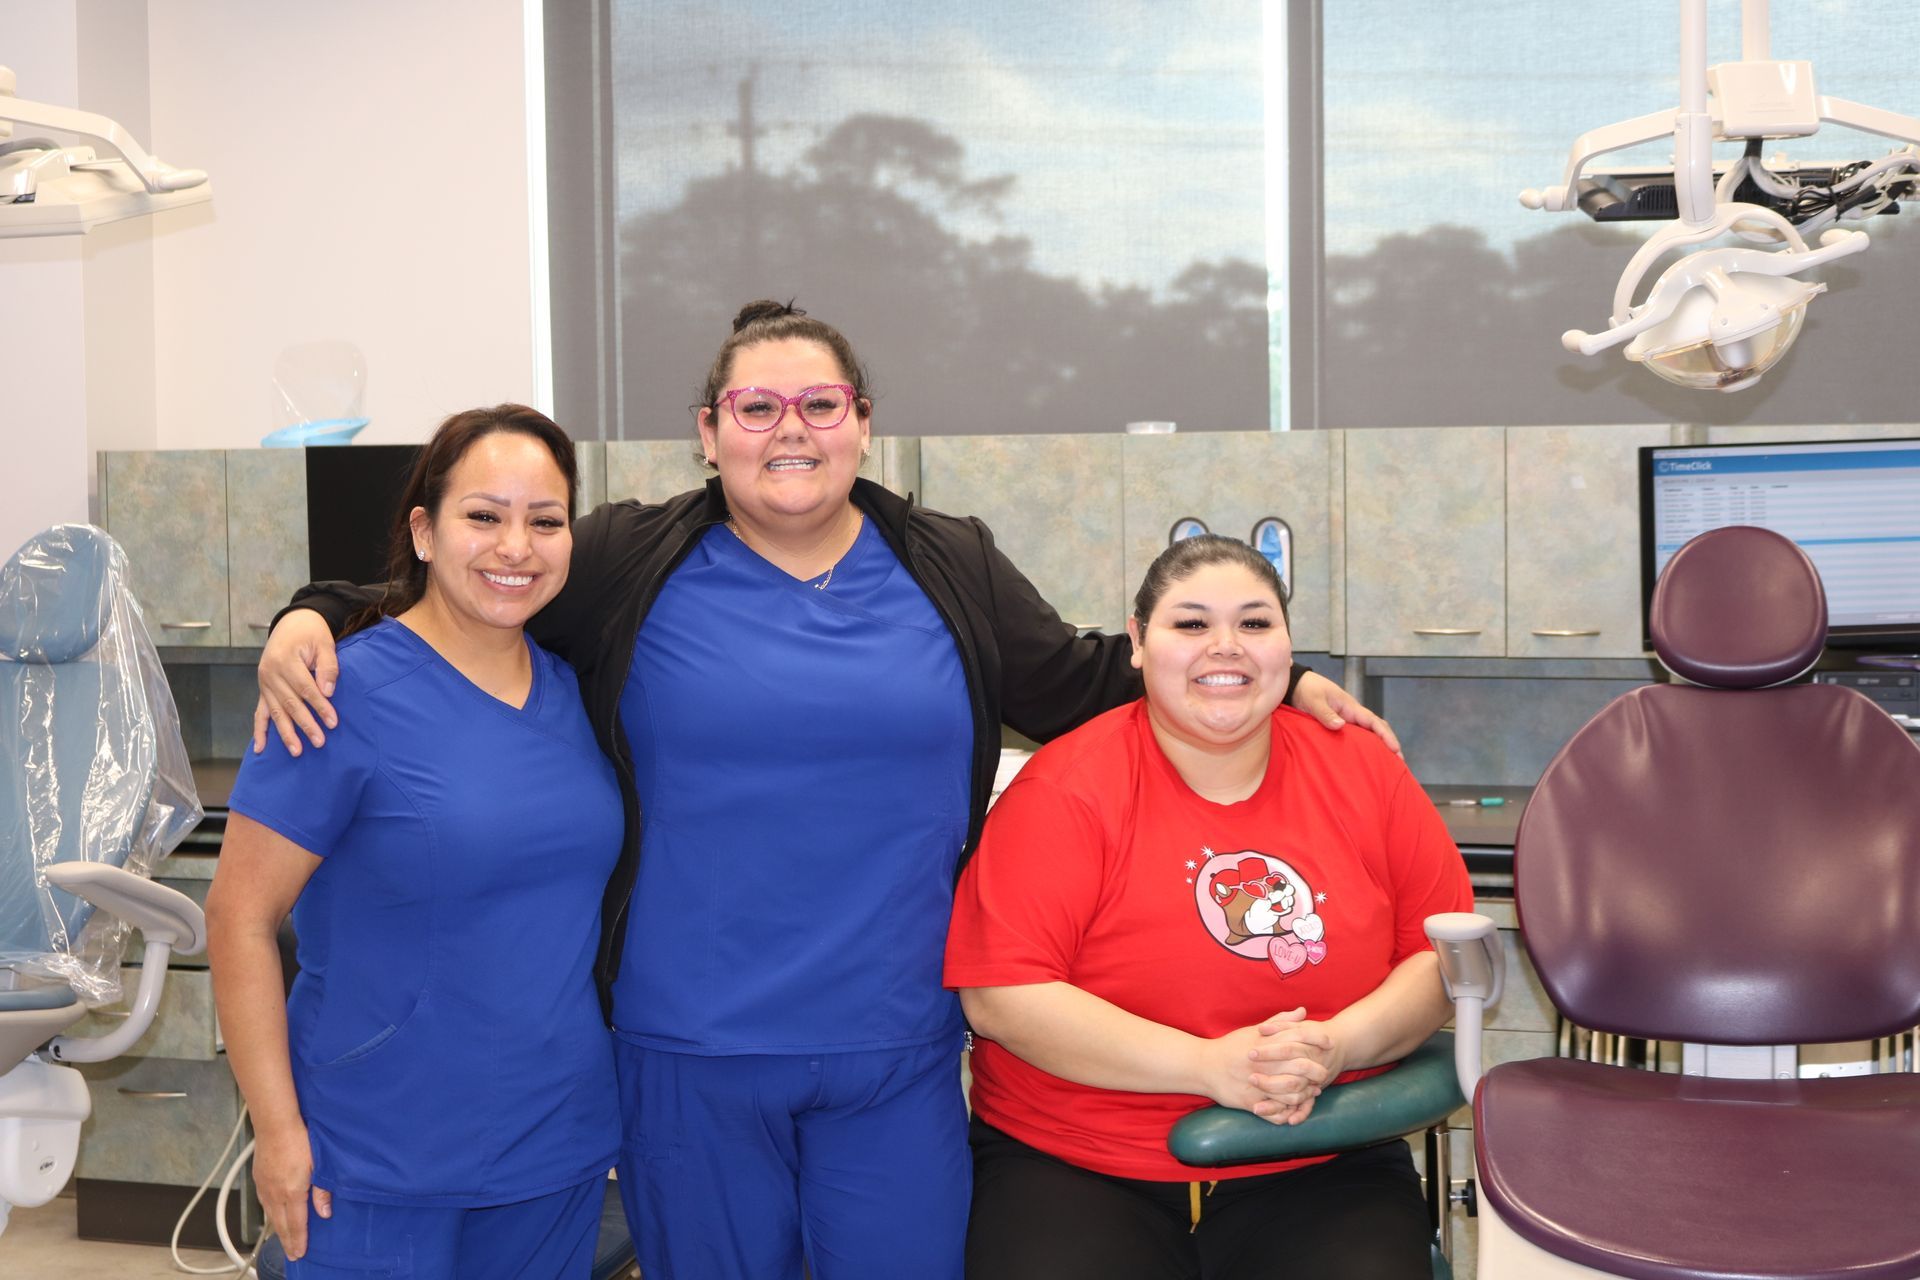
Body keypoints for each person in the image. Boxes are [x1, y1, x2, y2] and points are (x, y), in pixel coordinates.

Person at [251, 301, 1398, 1280]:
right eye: (756, 407)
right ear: (709, 433)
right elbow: (469, 583)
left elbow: (1095, 675)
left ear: (862, 423)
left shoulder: (947, 562)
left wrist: (1276, 671)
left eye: (820, 404)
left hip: (892, 1047)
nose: (788, 430)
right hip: (686, 1051)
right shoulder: (625, 562)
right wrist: (314, 609)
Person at [945, 533, 1471, 1280]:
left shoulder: (1362, 771)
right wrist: (1208, 1066)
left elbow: (1439, 954)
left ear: (1288, 647)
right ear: (1137, 642)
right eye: (1190, 624)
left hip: (1318, 1154)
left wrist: (1336, 1048)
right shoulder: (1065, 789)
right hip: (1081, 1164)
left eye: (1255, 624)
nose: (1225, 647)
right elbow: (1003, 995)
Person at [206, 406, 623, 1278]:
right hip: (372, 1154)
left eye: (544, 522)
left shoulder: (582, 695)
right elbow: (238, 919)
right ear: (425, 532)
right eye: (484, 516)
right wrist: (279, 1135)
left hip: (556, 1147)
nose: (516, 546)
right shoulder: (332, 695)